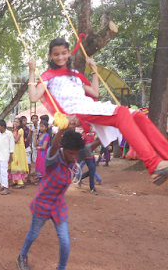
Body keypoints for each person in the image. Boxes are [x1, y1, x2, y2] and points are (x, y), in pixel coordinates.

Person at [27, 37, 168, 185]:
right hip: (76, 110)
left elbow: (94, 93)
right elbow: (34, 96)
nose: (60, 57)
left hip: (90, 105)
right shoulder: (47, 76)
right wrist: (32, 71)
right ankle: (153, 163)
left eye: (64, 53)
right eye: (56, 54)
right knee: (122, 114)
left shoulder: (75, 74)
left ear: (69, 53)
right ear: (50, 56)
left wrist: (94, 71)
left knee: (138, 116)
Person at [16, 128, 84, 270]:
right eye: (71, 153)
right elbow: (53, 147)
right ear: (62, 148)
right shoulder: (52, 159)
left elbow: (90, 148)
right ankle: (22, 256)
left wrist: (105, 137)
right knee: (33, 234)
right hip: (42, 203)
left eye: (76, 153)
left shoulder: (73, 160)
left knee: (65, 241)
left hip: (58, 205)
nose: (73, 157)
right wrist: (61, 130)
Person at [0, 120, 15, 195]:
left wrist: (11, 155)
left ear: (3, 127)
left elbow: (12, 145)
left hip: (5, 155)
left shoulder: (9, 134)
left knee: (4, 172)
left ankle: (6, 188)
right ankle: (2, 185)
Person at [8, 118, 29, 188]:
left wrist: (9, 140)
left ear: (20, 124)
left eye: (17, 122)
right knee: (13, 163)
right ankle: (15, 180)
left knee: (17, 164)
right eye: (15, 121)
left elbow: (16, 140)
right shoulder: (14, 130)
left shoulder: (20, 130)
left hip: (18, 150)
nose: (15, 123)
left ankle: (20, 182)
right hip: (14, 150)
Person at [21, 116, 33, 181]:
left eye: (26, 120)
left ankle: (28, 176)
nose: (25, 122)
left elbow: (28, 138)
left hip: (26, 146)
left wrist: (30, 130)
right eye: (24, 120)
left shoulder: (27, 129)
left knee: (28, 162)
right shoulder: (19, 129)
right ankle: (22, 176)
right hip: (21, 147)